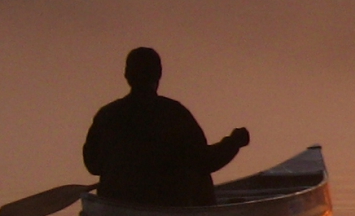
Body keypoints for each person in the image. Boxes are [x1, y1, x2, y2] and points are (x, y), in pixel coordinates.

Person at [83, 47, 250, 206]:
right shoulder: (174, 113)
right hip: (166, 204)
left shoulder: (106, 115)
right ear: (159, 74)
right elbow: (204, 161)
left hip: (116, 203)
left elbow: (92, 165)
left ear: (126, 75)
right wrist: (234, 142)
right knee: (200, 176)